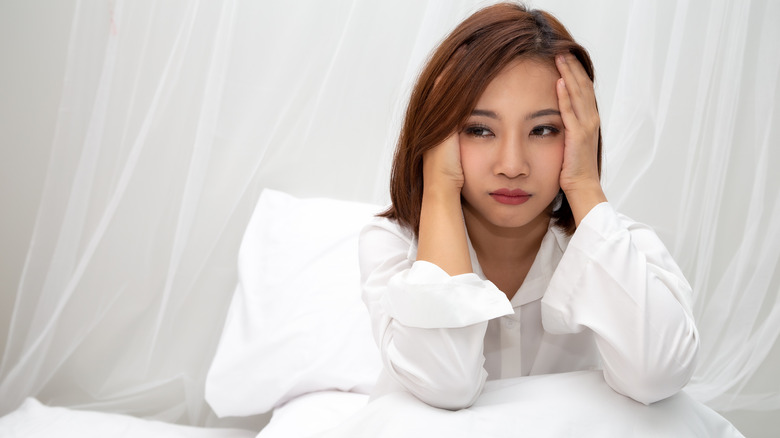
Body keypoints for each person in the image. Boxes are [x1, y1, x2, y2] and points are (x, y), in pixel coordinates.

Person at [358, 2, 699, 410]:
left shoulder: (624, 248)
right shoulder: (395, 247)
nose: (512, 166)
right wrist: (440, 187)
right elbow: (445, 384)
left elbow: (658, 375)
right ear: (437, 137)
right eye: (479, 129)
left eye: (543, 130)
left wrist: (584, 182)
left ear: (578, 134)